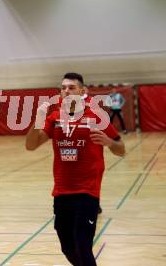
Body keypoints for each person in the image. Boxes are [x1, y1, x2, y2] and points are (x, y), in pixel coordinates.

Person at [26, 73, 125, 266]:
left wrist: (109, 142)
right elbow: (31, 146)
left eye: (71, 87)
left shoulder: (97, 116)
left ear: (83, 91)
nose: (66, 91)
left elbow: (121, 150)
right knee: (67, 247)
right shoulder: (55, 117)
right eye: (63, 88)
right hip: (62, 191)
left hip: (87, 191)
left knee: (82, 245)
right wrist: (38, 120)